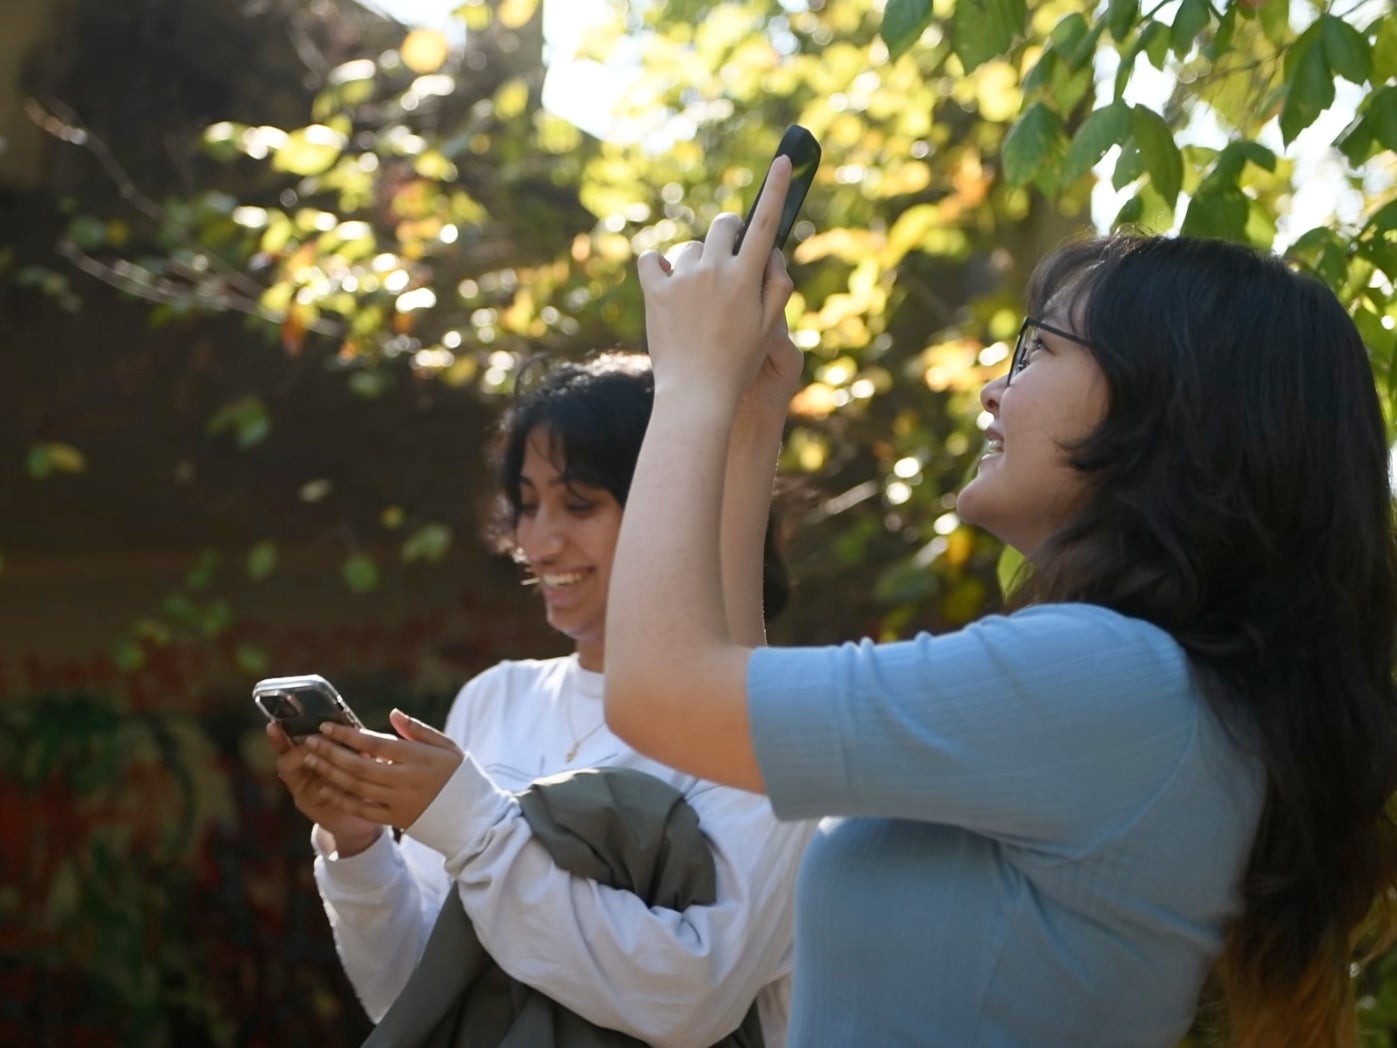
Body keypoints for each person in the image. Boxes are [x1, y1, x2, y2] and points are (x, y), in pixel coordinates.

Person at [604, 157, 1397, 1047]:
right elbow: (719, 710)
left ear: (1167, 403)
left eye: (1036, 349)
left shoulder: (1109, 682)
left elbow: (659, 693)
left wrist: (689, 383)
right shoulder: (1144, 693)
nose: (993, 389)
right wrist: (749, 417)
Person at [267, 352, 813, 1047]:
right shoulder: (497, 697)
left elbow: (691, 998)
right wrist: (357, 841)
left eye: (579, 505)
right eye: (527, 505)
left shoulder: (770, 725)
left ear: (684, 505)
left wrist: (475, 827)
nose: (537, 541)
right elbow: (413, 995)